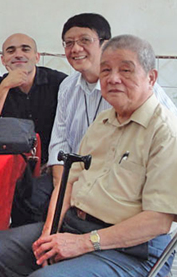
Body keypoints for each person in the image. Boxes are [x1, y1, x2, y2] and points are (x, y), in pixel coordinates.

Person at [0, 34, 177, 277]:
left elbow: (158, 221)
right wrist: (50, 232)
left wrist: (82, 243)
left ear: (151, 77)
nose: (113, 79)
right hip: (77, 225)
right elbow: (68, 180)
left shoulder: (166, 132)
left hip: (132, 251)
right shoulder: (103, 121)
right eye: (106, 70)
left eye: (126, 70)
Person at [12, 13, 177, 227]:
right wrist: (63, 185)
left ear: (105, 44)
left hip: (116, 182)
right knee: (27, 194)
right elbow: (59, 141)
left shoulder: (133, 90)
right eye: (69, 43)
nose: (76, 49)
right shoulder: (67, 87)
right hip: (71, 173)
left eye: (84, 40)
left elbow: (167, 132)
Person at [0, 33, 67, 164]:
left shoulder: (59, 82)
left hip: (53, 163)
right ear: (3, 60)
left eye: (25, 49)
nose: (18, 54)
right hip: (14, 164)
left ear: (37, 57)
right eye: (11, 51)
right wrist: (5, 86)